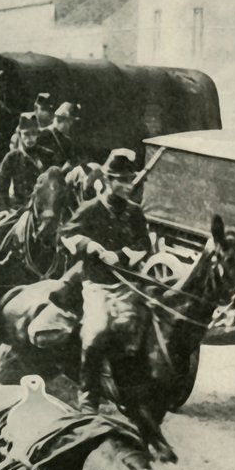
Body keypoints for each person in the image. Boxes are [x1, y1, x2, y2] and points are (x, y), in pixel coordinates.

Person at [59, 149, 152, 411]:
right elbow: (65, 235)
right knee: (96, 332)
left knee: (143, 332)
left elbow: (144, 244)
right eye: (122, 180)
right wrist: (88, 246)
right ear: (109, 180)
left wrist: (120, 256)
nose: (127, 186)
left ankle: (132, 392)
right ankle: (89, 397)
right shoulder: (90, 210)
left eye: (130, 181)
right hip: (97, 286)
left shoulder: (135, 213)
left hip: (126, 287)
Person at [0, 112, 47, 210]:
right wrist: (6, 209)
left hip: (44, 207)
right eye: (26, 134)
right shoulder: (12, 157)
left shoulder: (47, 155)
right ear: (19, 134)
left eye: (34, 133)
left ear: (38, 134)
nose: (30, 138)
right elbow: (0, 189)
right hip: (20, 207)